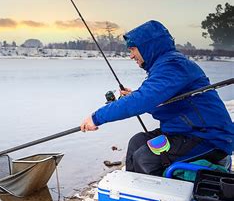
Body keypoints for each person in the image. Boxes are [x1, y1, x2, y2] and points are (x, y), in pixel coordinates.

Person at [80, 20, 234, 176]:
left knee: (145, 158)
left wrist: (97, 117)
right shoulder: (163, 66)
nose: (131, 55)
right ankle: (134, 192)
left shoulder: (174, 65)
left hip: (209, 137)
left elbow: (143, 100)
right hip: (183, 132)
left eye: (133, 49)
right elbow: (159, 102)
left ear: (148, 46)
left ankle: (163, 197)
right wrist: (134, 96)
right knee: (137, 142)